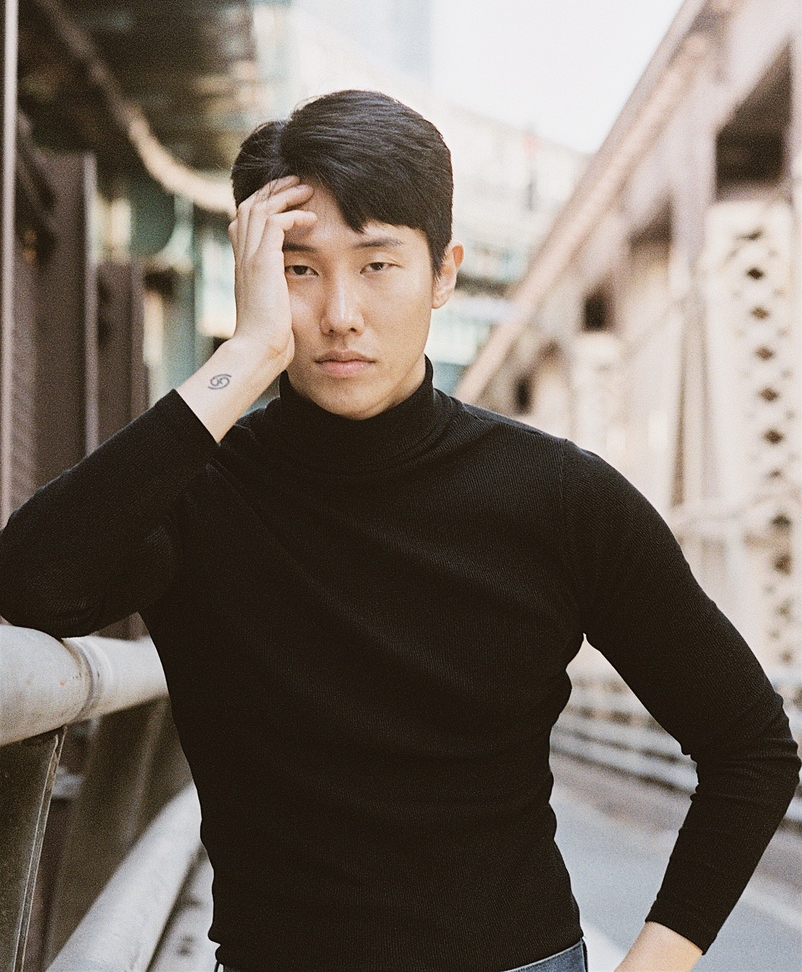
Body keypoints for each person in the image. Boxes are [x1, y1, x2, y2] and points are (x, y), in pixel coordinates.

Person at [0, 90, 798, 972]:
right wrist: (245, 356)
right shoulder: (198, 491)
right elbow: (32, 584)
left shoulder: (559, 498)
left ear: (444, 272)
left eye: (378, 264)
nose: (341, 312)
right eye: (299, 269)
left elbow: (751, 748)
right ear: (251, 277)